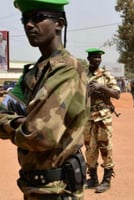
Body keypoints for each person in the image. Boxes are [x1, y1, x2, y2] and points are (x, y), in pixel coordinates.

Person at [0, 0, 88, 199]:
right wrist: (23, 123)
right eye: (25, 19)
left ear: (60, 23)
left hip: (57, 190)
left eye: (38, 17)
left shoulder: (67, 69)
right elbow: (3, 111)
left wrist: (19, 123)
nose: (29, 24)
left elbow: (39, 135)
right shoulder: (33, 74)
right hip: (34, 187)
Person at [84, 48, 121, 193]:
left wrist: (101, 87)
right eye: (94, 57)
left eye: (99, 57)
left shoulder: (106, 76)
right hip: (87, 116)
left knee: (105, 147)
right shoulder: (82, 76)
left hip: (103, 116)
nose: (97, 60)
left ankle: (106, 180)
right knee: (89, 148)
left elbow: (117, 94)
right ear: (88, 59)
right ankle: (93, 178)